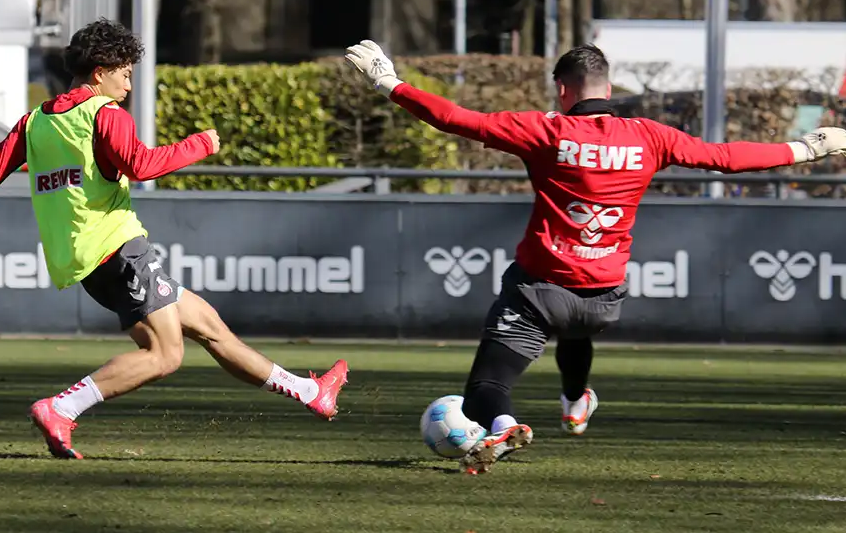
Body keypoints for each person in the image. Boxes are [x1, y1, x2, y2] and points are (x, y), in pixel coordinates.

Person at [345, 39, 846, 474]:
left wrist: (390, 83)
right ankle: (573, 402)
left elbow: (456, 119)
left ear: (563, 89)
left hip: (539, 290)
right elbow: (726, 159)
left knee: (486, 385)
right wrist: (807, 148)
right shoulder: (649, 136)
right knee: (576, 330)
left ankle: (504, 425)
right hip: (604, 297)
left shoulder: (546, 131)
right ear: (608, 88)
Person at [0, 18, 349, 460]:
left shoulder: (35, 123)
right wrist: (200, 144)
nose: (128, 87)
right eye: (125, 75)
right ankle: (61, 408)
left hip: (88, 262)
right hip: (121, 250)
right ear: (101, 71)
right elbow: (141, 165)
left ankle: (312, 392)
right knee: (165, 355)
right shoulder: (105, 114)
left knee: (209, 326)